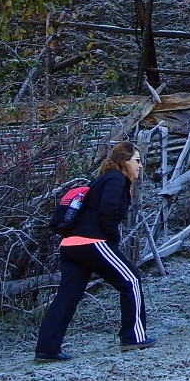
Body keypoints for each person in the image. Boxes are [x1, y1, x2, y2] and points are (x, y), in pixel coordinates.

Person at [35, 142, 152, 361]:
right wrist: (112, 239)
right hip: (92, 241)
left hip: (70, 244)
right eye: (137, 160)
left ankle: (47, 348)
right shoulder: (117, 179)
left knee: (67, 295)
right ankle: (133, 337)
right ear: (124, 161)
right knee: (132, 280)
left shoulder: (102, 180)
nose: (140, 165)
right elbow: (107, 210)